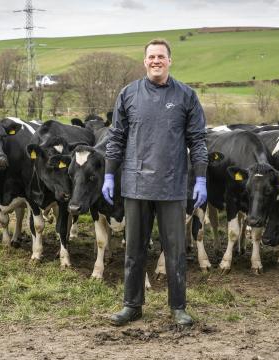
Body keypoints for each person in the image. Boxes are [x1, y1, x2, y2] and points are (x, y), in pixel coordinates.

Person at [102, 38, 208, 326]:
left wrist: (200, 178)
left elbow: (198, 141)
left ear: (170, 61)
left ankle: (178, 307)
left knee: (175, 251)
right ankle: (132, 305)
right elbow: (116, 138)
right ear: (145, 61)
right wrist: (110, 174)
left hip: (172, 186)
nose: (156, 61)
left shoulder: (186, 96)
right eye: (151, 57)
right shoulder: (128, 94)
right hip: (135, 185)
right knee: (134, 250)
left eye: (161, 56)